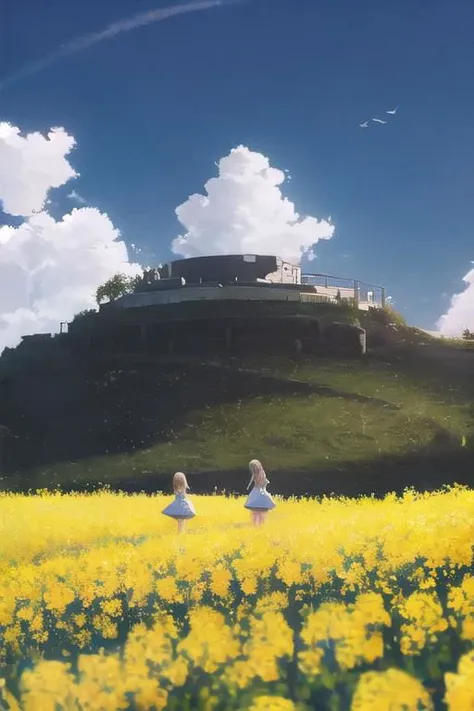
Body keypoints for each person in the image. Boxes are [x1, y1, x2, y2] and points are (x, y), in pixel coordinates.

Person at [244, 459, 276, 526]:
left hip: (259, 490)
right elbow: (252, 480)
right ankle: (256, 524)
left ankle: (260, 524)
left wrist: (261, 485)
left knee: (260, 510)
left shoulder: (261, 473)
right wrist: (249, 486)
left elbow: (263, 481)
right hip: (257, 490)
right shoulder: (255, 474)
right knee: (256, 510)